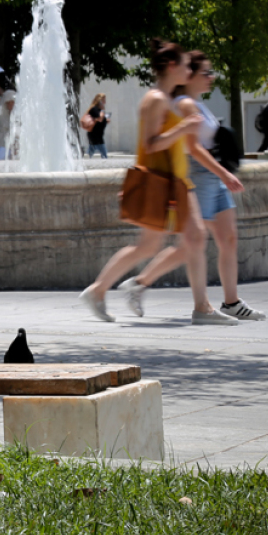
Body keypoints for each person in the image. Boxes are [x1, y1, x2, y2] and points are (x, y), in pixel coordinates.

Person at [79, 38, 237, 326]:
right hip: (160, 181)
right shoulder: (155, 99)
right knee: (151, 246)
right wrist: (183, 128)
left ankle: (201, 307)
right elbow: (150, 145)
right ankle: (99, 289)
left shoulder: (165, 98)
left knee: (194, 237)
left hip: (176, 180)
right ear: (173, 66)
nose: (190, 70)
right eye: (187, 65)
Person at [113, 52, 262, 322]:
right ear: (189, 75)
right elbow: (192, 148)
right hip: (200, 176)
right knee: (191, 244)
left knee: (228, 238)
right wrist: (224, 173)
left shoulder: (197, 104)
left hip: (213, 177)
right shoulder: (182, 104)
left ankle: (232, 302)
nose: (211, 78)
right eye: (206, 73)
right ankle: (140, 283)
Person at [84, 93, 110, 158]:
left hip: (98, 135)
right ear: (100, 101)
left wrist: (106, 121)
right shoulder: (94, 109)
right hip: (95, 135)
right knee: (104, 155)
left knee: (91, 152)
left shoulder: (99, 110)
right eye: (103, 100)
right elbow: (99, 119)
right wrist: (103, 111)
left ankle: (87, 161)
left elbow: (99, 122)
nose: (105, 102)